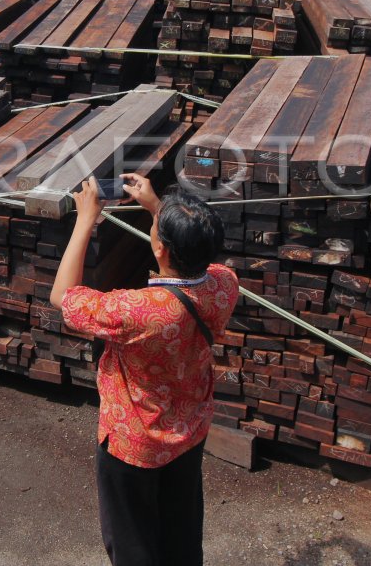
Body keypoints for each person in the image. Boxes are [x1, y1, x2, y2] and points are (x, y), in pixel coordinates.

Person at [51, 175, 239, 566]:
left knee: (133, 543)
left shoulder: (140, 311)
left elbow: (63, 298)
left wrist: (85, 219)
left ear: (160, 248)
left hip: (134, 444)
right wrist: (160, 209)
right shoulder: (224, 286)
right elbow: (196, 257)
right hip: (189, 432)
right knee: (181, 532)